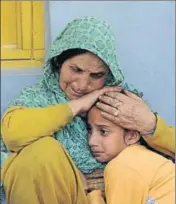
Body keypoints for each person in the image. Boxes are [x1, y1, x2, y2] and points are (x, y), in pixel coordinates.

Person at [0, 16, 175, 204]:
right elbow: (12, 135)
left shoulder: (120, 102)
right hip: (61, 196)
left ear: (108, 75)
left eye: (96, 75)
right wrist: (78, 106)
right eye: (75, 70)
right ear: (58, 63)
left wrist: (150, 124)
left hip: (113, 196)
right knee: (41, 151)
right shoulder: (37, 99)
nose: (82, 85)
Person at [86, 105, 175, 204]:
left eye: (103, 131)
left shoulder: (122, 165)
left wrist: (93, 196)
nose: (91, 141)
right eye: (89, 130)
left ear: (132, 136)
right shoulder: (143, 158)